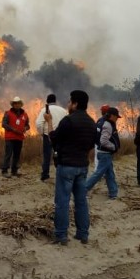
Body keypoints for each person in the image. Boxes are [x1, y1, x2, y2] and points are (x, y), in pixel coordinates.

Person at [47, 90, 98, 245]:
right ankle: (83, 234)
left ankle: (61, 236)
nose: (68, 104)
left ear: (75, 104)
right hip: (82, 167)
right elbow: (91, 145)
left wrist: (49, 121)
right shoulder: (91, 122)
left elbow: (54, 139)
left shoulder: (68, 121)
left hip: (66, 167)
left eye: (70, 102)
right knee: (81, 201)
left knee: (62, 201)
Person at [86, 107, 121, 199]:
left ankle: (113, 193)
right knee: (98, 174)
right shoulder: (108, 125)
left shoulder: (100, 121)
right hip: (105, 153)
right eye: (116, 116)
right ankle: (83, 190)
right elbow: (104, 141)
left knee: (110, 174)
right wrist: (114, 147)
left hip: (102, 152)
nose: (117, 118)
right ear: (112, 116)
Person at [37, 94, 67, 181]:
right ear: (55, 101)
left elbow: (39, 124)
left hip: (48, 136)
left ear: (47, 101)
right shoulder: (63, 110)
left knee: (47, 156)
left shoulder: (44, 110)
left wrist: (42, 133)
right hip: (60, 136)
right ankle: (61, 174)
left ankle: (45, 175)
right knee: (59, 155)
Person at [1, 96, 30, 178]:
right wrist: (13, 129)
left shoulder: (25, 114)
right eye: (15, 103)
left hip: (19, 138)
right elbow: (4, 124)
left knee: (17, 155)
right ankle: (5, 170)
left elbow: (28, 125)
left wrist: (25, 128)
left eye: (18, 103)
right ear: (13, 105)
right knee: (8, 154)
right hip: (10, 137)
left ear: (21, 104)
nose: (17, 105)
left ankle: (14, 171)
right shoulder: (7, 113)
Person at [93, 104, 109, 171]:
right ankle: (105, 173)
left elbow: (96, 131)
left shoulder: (100, 120)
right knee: (107, 160)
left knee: (97, 159)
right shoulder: (111, 121)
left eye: (102, 110)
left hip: (99, 144)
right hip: (107, 144)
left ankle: (97, 173)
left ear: (103, 111)